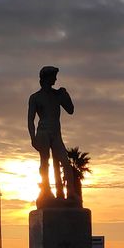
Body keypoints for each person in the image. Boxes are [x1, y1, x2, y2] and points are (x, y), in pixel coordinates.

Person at [28, 66, 80, 206]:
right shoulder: (35, 97)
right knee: (45, 162)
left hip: (56, 133)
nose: (56, 79)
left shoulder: (57, 95)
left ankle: (70, 193)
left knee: (66, 162)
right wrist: (33, 138)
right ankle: (46, 191)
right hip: (43, 132)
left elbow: (70, 110)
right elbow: (30, 120)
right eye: (53, 76)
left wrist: (65, 95)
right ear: (46, 78)